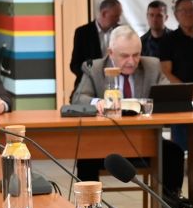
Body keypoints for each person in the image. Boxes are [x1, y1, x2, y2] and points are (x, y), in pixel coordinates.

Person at [72, 26, 185, 198]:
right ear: (110, 53)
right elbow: (78, 99)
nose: (131, 61)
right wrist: (97, 102)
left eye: (136, 55)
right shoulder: (94, 68)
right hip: (104, 143)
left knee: (173, 152)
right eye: (125, 56)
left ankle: (171, 207)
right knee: (85, 157)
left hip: (144, 141)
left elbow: (167, 95)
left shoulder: (151, 65)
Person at [68, 0, 123, 90]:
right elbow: (75, 65)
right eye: (115, 16)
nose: (118, 20)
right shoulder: (82, 32)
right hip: (90, 85)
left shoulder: (121, 31)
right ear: (104, 13)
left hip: (117, 83)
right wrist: (91, 76)